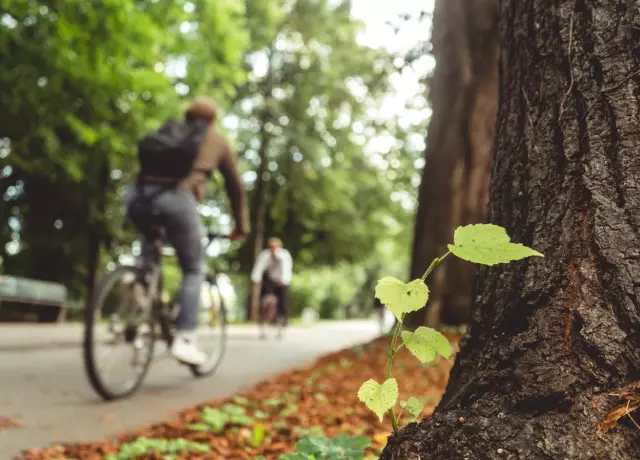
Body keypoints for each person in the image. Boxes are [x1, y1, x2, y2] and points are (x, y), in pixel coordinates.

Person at [126, 96, 249, 365]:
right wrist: (241, 226)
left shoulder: (170, 130)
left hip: (138, 196)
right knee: (194, 268)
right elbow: (235, 186)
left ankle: (138, 290)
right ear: (212, 121)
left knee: (150, 250)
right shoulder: (217, 140)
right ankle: (185, 338)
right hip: (177, 200)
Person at [251, 237, 293, 330]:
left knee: (282, 299)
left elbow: (286, 268)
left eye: (275, 247)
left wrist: (284, 280)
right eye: (271, 247)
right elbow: (259, 267)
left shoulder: (284, 255)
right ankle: (262, 315)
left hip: (282, 279)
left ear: (279, 247)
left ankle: (283, 317)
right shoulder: (265, 255)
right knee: (263, 295)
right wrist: (256, 278)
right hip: (270, 278)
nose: (273, 249)